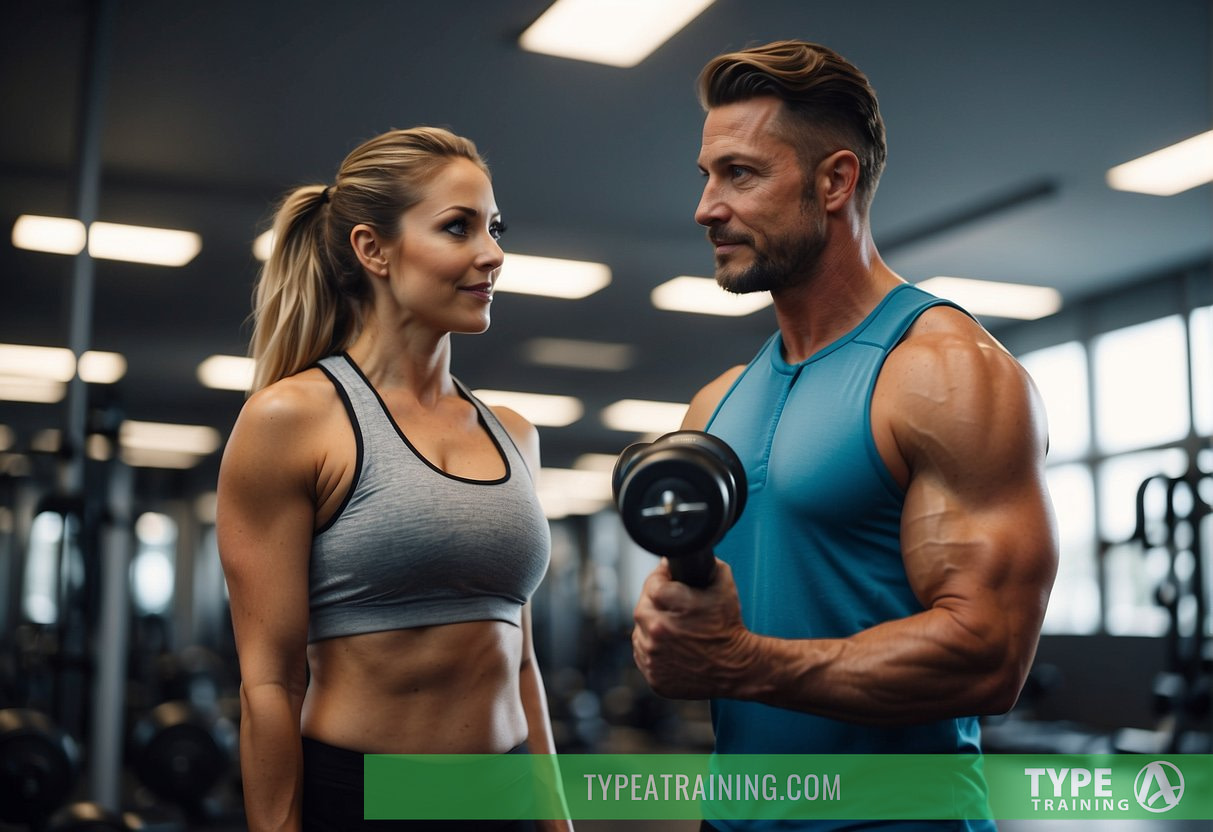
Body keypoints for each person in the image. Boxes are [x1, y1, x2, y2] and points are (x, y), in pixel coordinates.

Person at [630, 41, 1059, 831]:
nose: (706, 208)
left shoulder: (945, 372)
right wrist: (668, 629)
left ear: (834, 180)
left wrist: (741, 664)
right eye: (706, 177)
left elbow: (989, 653)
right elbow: (710, 625)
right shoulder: (712, 405)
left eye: (741, 174)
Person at [216, 127, 570, 832]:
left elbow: (522, 665)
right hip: (363, 800)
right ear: (373, 250)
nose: (493, 253)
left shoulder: (513, 434)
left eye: (494, 228)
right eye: (457, 227)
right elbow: (269, 683)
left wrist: (557, 821)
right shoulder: (293, 419)